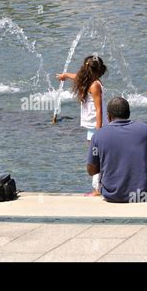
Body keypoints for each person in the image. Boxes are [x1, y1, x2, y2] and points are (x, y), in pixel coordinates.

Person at [87, 97, 147, 203]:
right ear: (128, 113)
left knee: (98, 163)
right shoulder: (145, 130)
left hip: (111, 196)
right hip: (142, 195)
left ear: (109, 116)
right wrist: (144, 155)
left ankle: (101, 190)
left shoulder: (98, 135)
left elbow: (91, 170)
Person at [56, 55, 108, 196]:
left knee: (97, 158)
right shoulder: (87, 80)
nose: (82, 71)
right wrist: (65, 75)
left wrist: (99, 130)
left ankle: (98, 189)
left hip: (97, 127)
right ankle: (100, 187)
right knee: (96, 157)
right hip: (92, 127)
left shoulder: (95, 85)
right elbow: (76, 76)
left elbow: (99, 109)